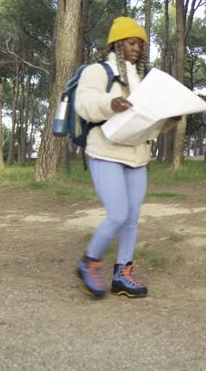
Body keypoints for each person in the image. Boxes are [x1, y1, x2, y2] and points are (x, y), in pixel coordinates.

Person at [74, 16, 173, 299]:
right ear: (117, 43)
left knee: (131, 217)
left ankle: (122, 275)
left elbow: (149, 119)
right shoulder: (97, 71)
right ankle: (89, 261)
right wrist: (111, 103)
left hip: (137, 154)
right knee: (117, 213)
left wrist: (171, 119)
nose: (137, 49)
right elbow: (85, 104)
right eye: (131, 43)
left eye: (141, 45)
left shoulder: (143, 80)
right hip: (105, 151)